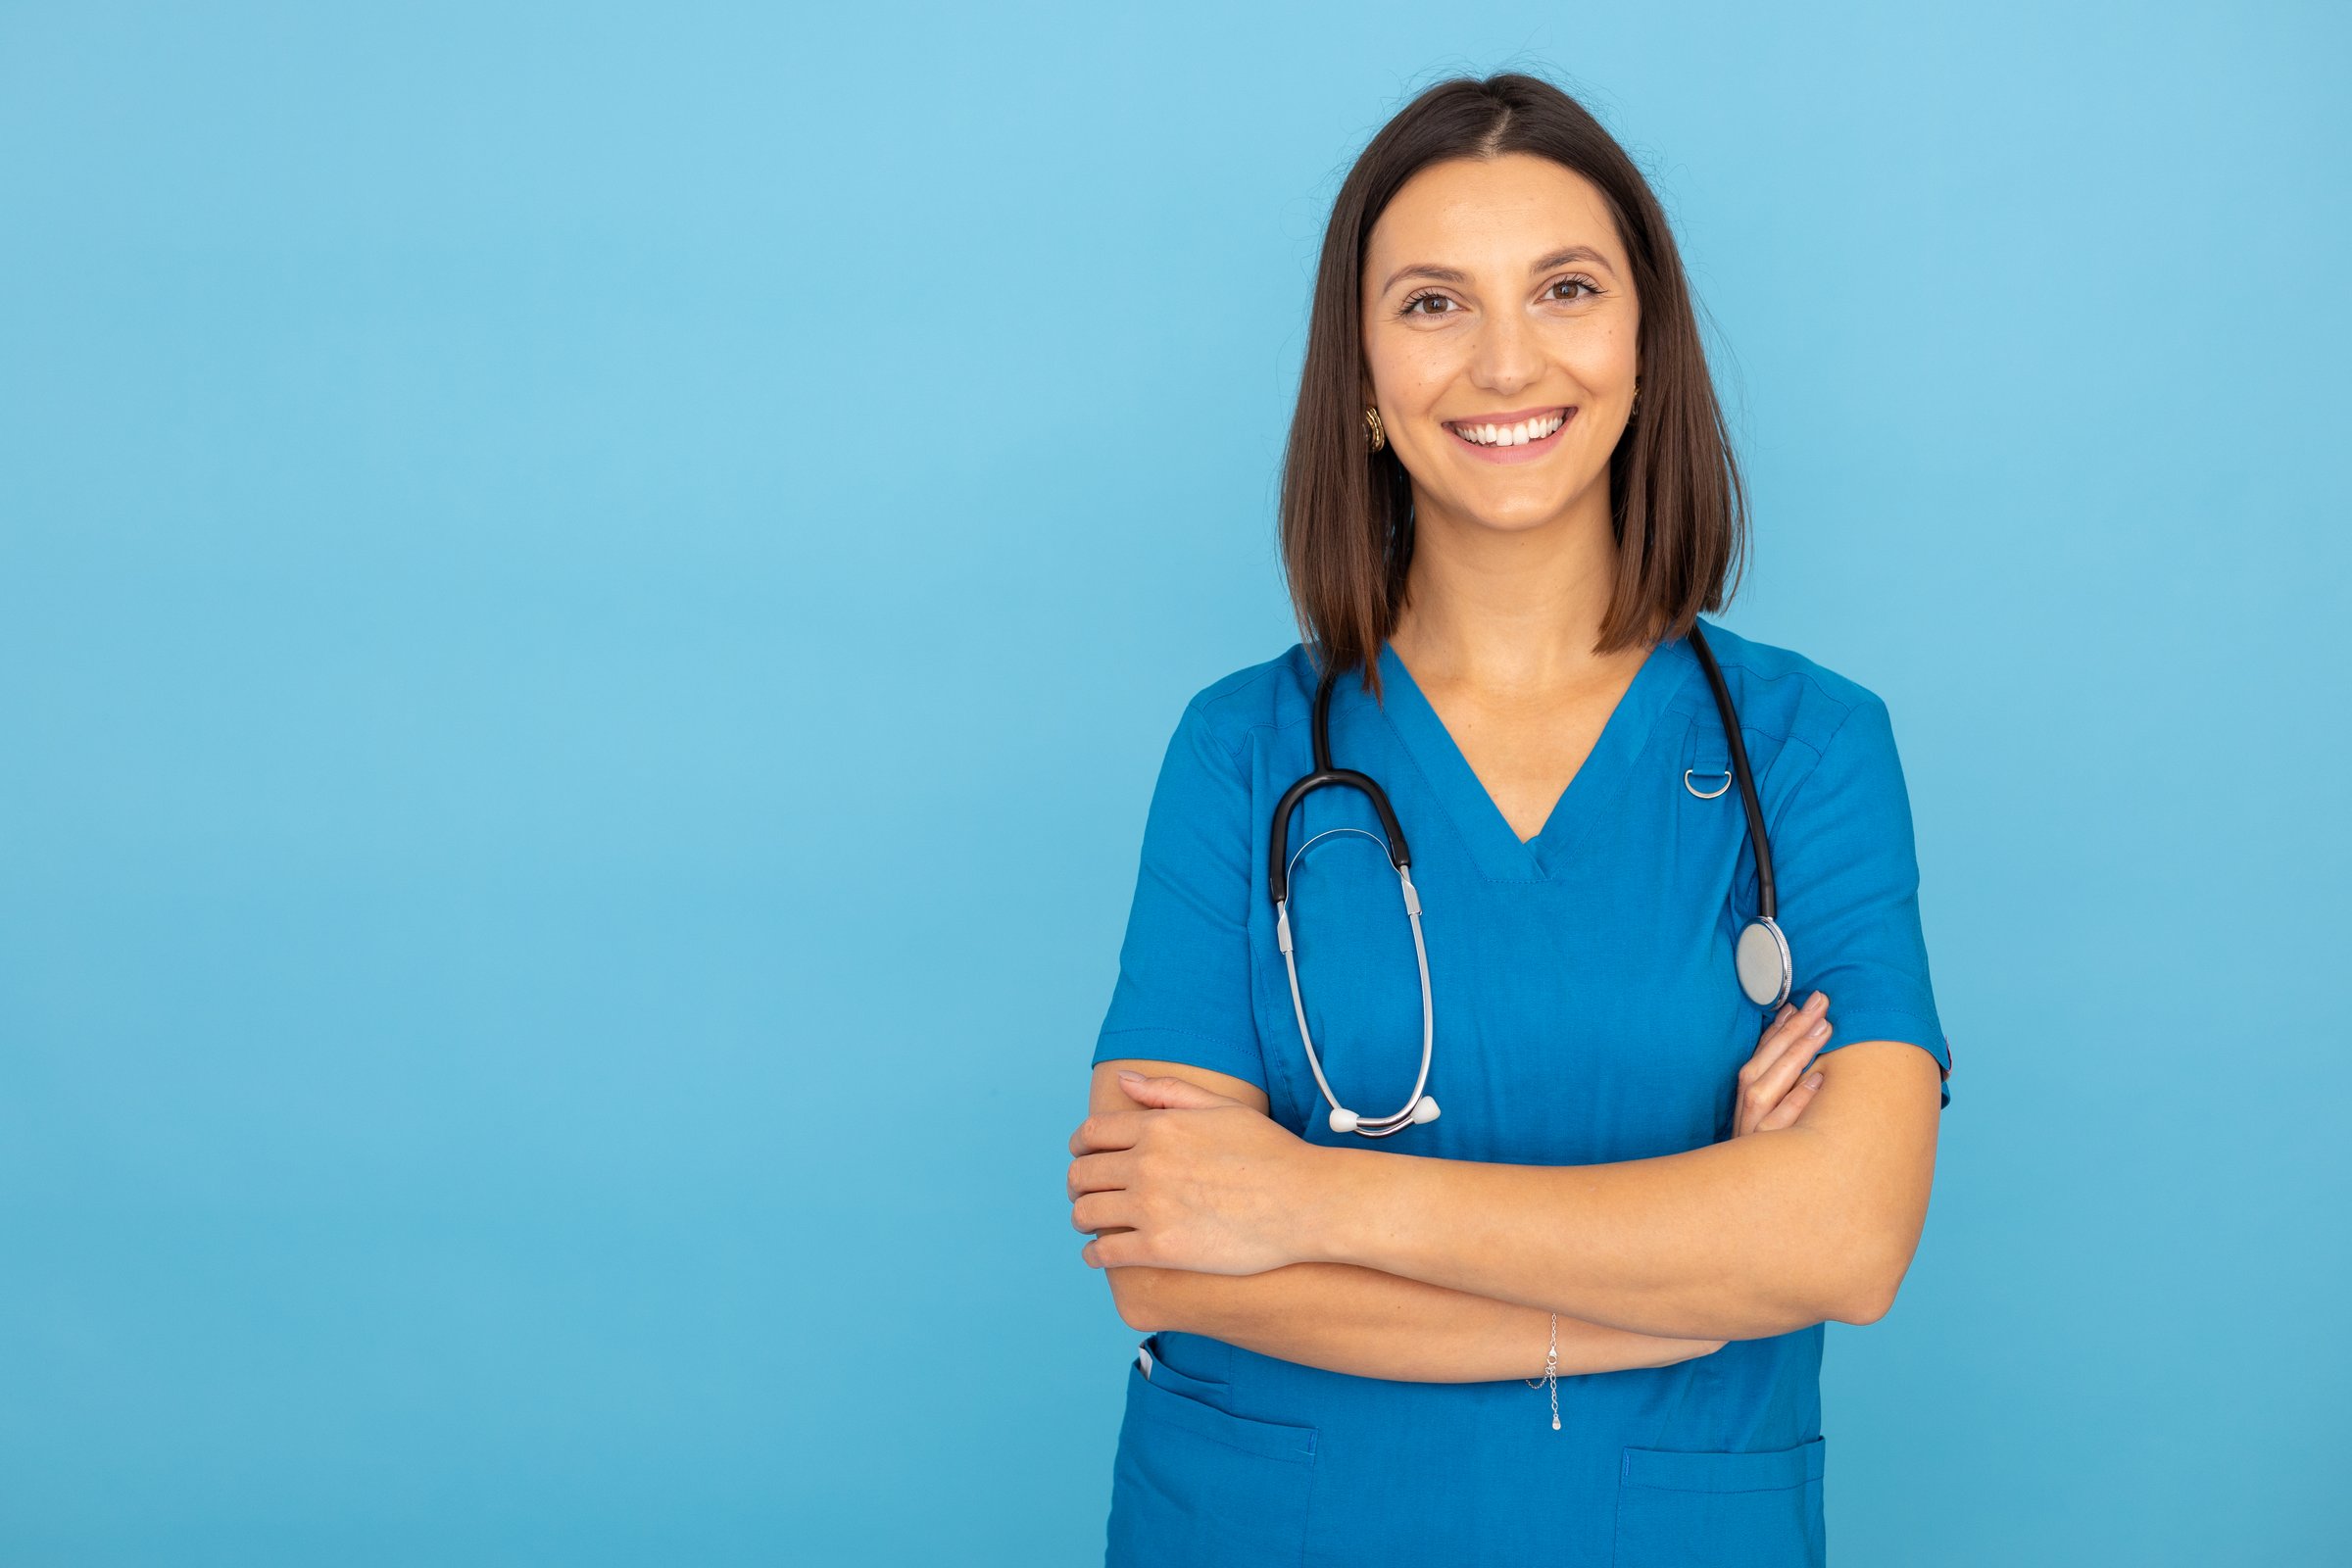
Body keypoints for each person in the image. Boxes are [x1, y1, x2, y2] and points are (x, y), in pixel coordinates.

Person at [1065, 72, 1951, 1568]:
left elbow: (1846, 1243)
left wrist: (1309, 1197)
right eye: (1432, 304)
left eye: (1565, 288)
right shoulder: (1242, 751)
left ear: (1643, 344)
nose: (1505, 359)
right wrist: (1683, 1282)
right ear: (1359, 376)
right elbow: (1167, 1262)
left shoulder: (1808, 750)